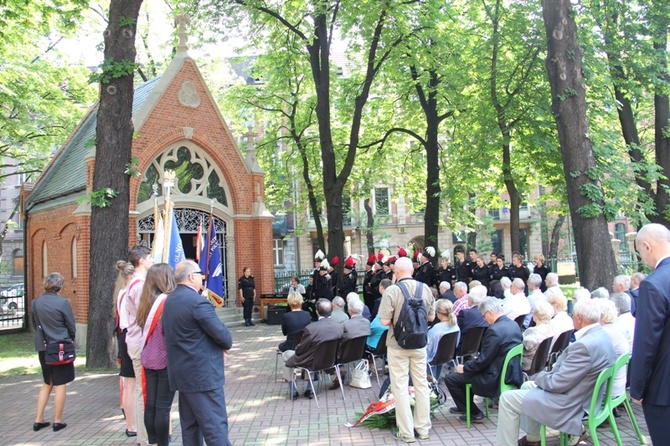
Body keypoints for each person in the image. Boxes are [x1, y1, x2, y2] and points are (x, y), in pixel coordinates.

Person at [496, 299, 616, 446]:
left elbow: (557, 383)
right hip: (583, 396)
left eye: (573, 315)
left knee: (507, 398)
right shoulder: (602, 336)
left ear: (579, 318)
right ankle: (533, 439)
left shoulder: (584, 345)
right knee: (527, 385)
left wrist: (541, 377)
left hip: (569, 404)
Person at [163, 260, 233, 446]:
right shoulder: (198, 303)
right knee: (215, 426)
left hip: (183, 373)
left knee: (190, 426)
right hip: (202, 375)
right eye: (200, 274)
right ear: (191, 277)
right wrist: (222, 346)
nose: (203, 277)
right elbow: (224, 336)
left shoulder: (170, 299)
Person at [378, 256, 435, 443]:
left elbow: (384, 321)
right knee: (421, 384)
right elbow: (431, 317)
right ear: (413, 270)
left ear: (396, 272)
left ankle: (407, 432)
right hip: (420, 344)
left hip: (397, 344)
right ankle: (424, 428)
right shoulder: (425, 288)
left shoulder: (392, 291)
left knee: (400, 387)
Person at [445, 297, 523, 423]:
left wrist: (465, 367)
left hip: (494, 377)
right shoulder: (513, 324)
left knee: (451, 378)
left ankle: (474, 412)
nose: (484, 320)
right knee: (465, 373)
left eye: (483, 316)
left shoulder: (494, 331)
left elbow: (483, 361)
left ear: (489, 313)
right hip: (510, 372)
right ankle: (466, 407)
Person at [630, 223, 670, 445]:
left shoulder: (653, 285)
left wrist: (637, 388)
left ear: (646, 246)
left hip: (663, 389)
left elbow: (646, 343)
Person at [136, 263, 177, 446]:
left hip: (148, 357)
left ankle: (152, 441)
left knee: (150, 404)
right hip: (164, 359)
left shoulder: (145, 301)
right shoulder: (166, 303)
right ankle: (162, 443)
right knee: (163, 407)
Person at [31, 272, 76, 433]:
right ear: (60, 286)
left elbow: (35, 324)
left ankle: (38, 419)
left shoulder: (35, 303)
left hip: (44, 347)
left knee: (47, 382)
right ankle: (57, 420)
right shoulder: (63, 303)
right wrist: (71, 338)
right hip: (60, 347)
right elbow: (71, 325)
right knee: (60, 384)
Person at [283, 299, 344, 399]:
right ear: (331, 311)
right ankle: (309, 389)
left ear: (317, 311)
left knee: (286, 354)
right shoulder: (339, 327)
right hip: (330, 361)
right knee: (311, 355)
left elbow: (300, 350)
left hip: (312, 360)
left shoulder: (311, 329)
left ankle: (293, 390)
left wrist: (297, 348)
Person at [124, 245, 153, 445]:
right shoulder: (140, 285)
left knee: (142, 391)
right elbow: (146, 315)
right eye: (149, 257)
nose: (152, 260)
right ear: (141, 260)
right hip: (140, 342)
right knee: (143, 392)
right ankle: (144, 438)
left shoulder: (135, 282)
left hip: (137, 341)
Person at [113, 259, 136, 436]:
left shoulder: (120, 292)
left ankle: (131, 423)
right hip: (129, 335)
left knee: (128, 383)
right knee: (131, 384)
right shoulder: (128, 292)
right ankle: (132, 424)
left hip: (124, 335)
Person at [329, 298, 371, 389]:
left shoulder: (346, 325)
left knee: (325, 352)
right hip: (359, 354)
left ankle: (337, 373)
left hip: (344, 355)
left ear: (350, 310)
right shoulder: (367, 323)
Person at [596, 299, 629, 399]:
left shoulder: (603, 333)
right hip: (618, 386)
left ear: (600, 315)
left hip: (607, 390)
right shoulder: (615, 330)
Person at [426, 299, 460, 380]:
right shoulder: (456, 326)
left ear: (438, 313)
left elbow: (429, 349)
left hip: (433, 358)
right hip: (447, 356)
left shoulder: (436, 329)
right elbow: (457, 343)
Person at [521, 301, 553, 371]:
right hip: (541, 364)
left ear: (536, 315)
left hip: (527, 364)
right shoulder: (550, 330)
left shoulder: (533, 332)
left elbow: (521, 345)